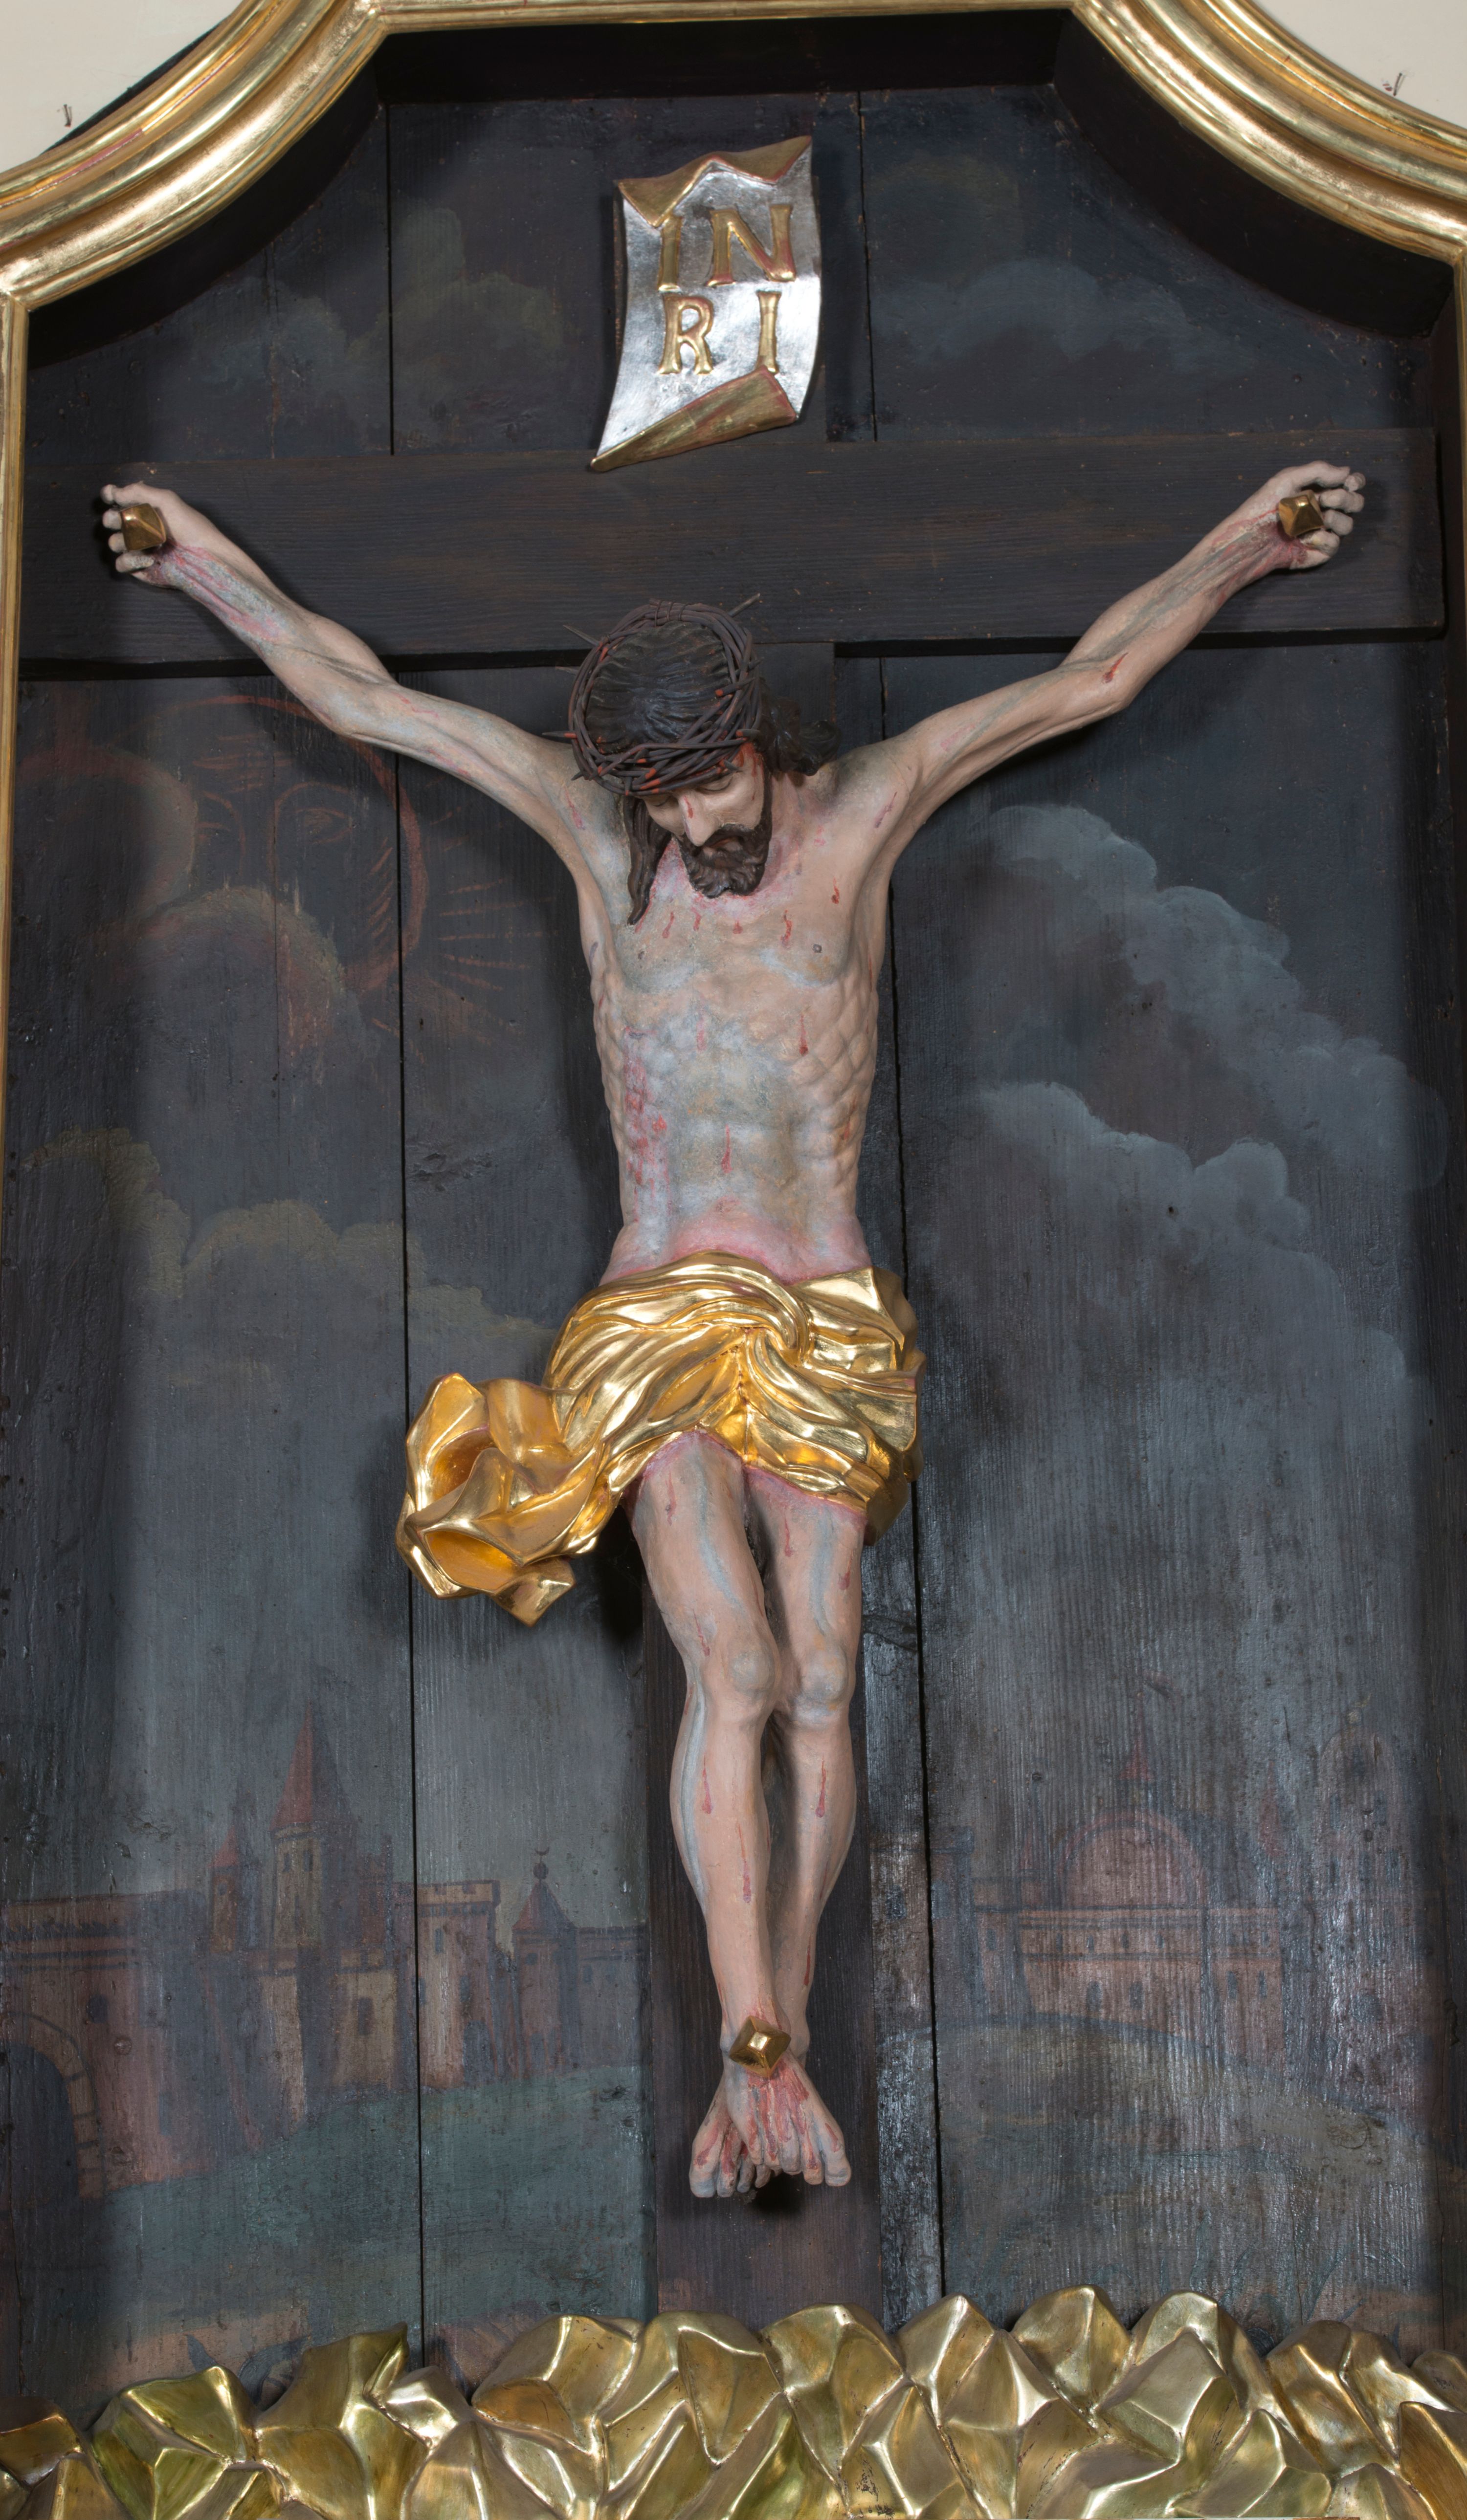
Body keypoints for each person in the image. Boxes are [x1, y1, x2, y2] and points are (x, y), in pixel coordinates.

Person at [101, 458, 1366, 2197]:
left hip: (826, 1310)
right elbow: (364, 698)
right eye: (669, 799)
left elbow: (1091, 680)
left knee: (827, 1672)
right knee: (740, 1670)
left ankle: (787, 2032)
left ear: (760, 741)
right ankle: (749, 2040)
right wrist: (197, 564)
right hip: (657, 1315)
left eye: (716, 783)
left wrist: (1247, 542)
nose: (703, 826)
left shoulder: (863, 815)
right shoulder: (597, 842)